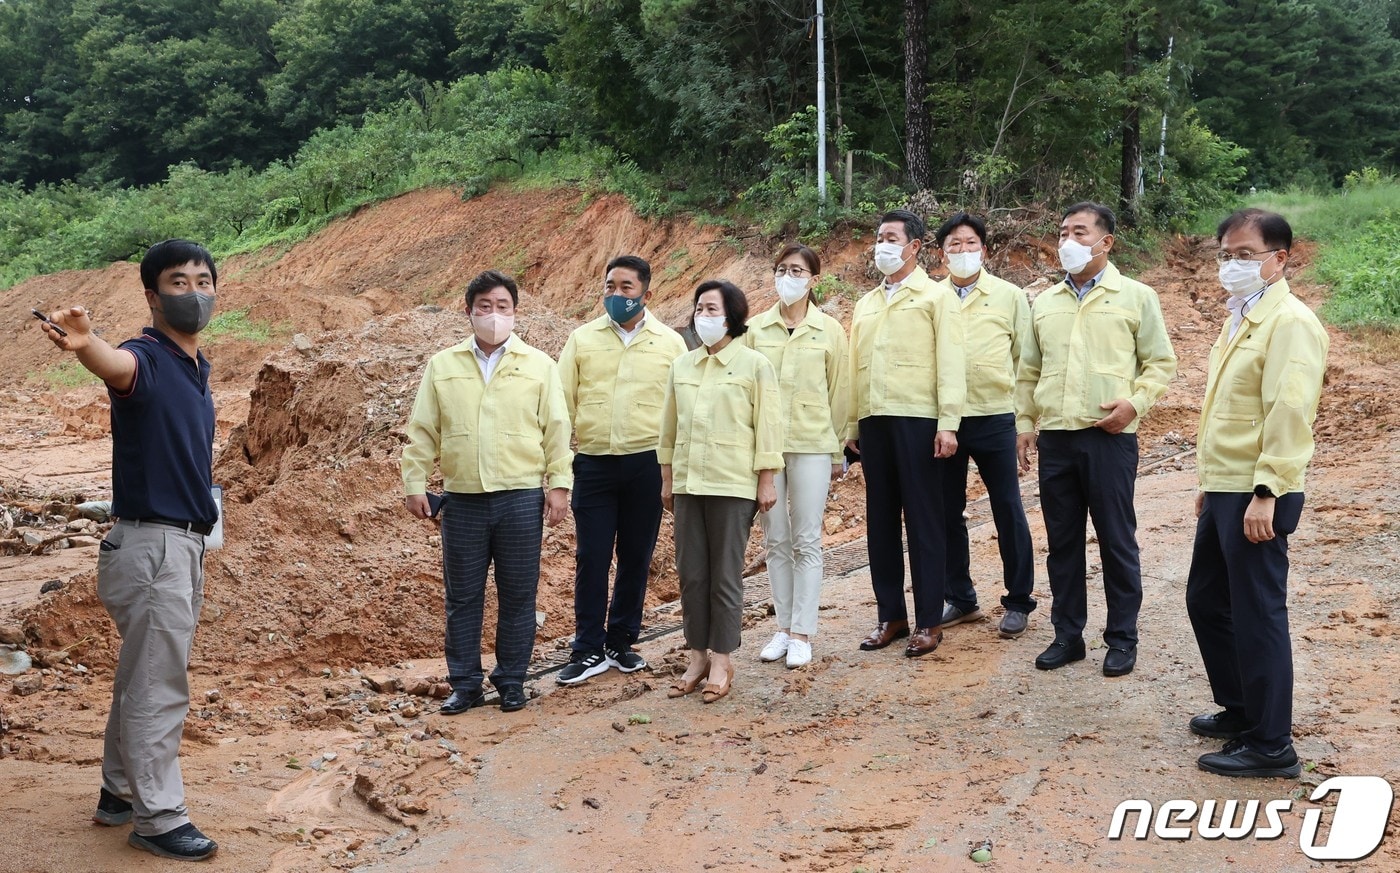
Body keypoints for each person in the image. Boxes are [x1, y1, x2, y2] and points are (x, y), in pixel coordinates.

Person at [38, 239, 221, 861]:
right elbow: (116, 366)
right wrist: (86, 342)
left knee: (141, 673)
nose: (193, 292)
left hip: (177, 544)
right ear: (152, 295)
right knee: (157, 684)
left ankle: (119, 792)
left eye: (202, 280)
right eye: (177, 282)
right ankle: (158, 817)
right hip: (154, 548)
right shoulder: (148, 358)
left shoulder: (197, 367)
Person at [1186, 209, 1327, 778]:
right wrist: (1209, 483)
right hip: (1227, 484)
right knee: (1207, 600)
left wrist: (1267, 491)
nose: (1233, 264)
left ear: (1280, 258)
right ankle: (1243, 708)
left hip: (1258, 489)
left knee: (1257, 613)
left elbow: (1289, 410)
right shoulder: (1242, 316)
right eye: (1226, 253)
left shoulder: (1288, 322)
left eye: (1246, 254)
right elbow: (1228, 409)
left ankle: (1272, 745)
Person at [1016, 202, 1177, 677]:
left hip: (1109, 438)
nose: (1068, 240)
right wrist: (1025, 425)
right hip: (1058, 440)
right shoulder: (1044, 303)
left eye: (1080, 232)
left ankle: (1122, 638)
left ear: (1106, 242)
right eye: (1063, 231)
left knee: (1116, 540)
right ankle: (1068, 635)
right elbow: (1027, 371)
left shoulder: (1136, 296)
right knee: (1062, 542)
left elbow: (1160, 363)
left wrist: (1134, 404)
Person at [401, 270, 573, 714]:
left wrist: (559, 485)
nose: (493, 315)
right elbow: (423, 431)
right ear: (468, 311)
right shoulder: (443, 366)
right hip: (463, 499)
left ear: (515, 313)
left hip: (519, 497)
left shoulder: (540, 365)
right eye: (484, 307)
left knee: (518, 593)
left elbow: (556, 430)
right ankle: (465, 683)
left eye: (503, 307)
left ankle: (512, 680)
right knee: (463, 596)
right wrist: (414, 483)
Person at [554, 255, 687, 685]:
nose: (616, 294)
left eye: (625, 287)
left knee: (635, 556)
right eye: (610, 286)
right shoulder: (581, 339)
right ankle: (588, 647)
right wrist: (557, 470)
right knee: (591, 556)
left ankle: (621, 641)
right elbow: (561, 407)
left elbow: (681, 411)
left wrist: (674, 473)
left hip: (646, 464)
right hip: (593, 464)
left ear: (647, 293)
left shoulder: (669, 344)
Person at [847, 209, 967, 658]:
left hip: (919, 421)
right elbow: (854, 370)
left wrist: (948, 423)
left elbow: (951, 363)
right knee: (880, 522)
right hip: (874, 422)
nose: (882, 245)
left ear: (915, 246)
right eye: (879, 237)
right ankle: (891, 614)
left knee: (924, 521)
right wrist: (851, 422)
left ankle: (929, 621)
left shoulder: (937, 298)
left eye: (892, 237)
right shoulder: (866, 303)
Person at [659, 280, 782, 702]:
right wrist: (667, 477)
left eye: (711, 308)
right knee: (691, 574)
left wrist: (766, 479)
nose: (702, 316)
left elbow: (768, 427)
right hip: (690, 483)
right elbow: (668, 428)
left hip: (732, 484)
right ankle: (697, 657)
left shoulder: (754, 366)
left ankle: (723, 659)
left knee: (724, 577)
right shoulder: (683, 366)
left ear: (732, 316)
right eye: (699, 308)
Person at [741, 244, 849, 668]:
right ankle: (783, 627)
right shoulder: (754, 330)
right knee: (775, 538)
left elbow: (839, 392)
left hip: (812, 443)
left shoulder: (830, 331)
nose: (788, 277)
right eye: (782, 269)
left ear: (813, 280)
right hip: (767, 450)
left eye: (797, 270)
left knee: (806, 538)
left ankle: (804, 631)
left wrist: (838, 446)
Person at [930, 212, 1037, 639]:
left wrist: (1022, 419)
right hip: (944, 422)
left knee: (1007, 507)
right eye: (954, 245)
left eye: (970, 243)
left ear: (984, 250)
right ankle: (961, 598)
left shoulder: (1009, 297)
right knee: (946, 513)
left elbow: (1024, 362)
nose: (963, 251)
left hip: (995, 416)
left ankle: (1018, 600)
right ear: (941, 254)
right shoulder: (931, 298)